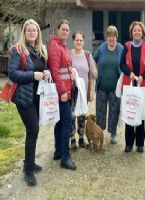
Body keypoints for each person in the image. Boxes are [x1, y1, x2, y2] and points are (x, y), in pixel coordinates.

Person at [8, 19, 50, 186]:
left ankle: (29, 162)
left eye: (35, 30)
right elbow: (12, 74)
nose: (32, 33)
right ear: (24, 33)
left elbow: (40, 69)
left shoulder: (39, 50)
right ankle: (28, 170)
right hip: (24, 97)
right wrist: (33, 75)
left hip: (37, 96)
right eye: (29, 30)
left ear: (38, 33)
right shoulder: (18, 50)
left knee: (33, 130)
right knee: (33, 128)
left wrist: (45, 72)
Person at [48, 20, 77, 170]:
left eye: (67, 30)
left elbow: (65, 68)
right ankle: (65, 157)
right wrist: (63, 92)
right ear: (58, 30)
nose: (65, 32)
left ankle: (58, 151)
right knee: (66, 122)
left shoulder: (64, 47)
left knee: (60, 122)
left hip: (67, 90)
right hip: (62, 93)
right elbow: (55, 71)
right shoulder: (55, 46)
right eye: (63, 29)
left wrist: (72, 73)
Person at [120, 21, 145, 153]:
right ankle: (128, 143)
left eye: (139, 30)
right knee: (130, 112)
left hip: (142, 86)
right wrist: (130, 74)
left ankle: (140, 143)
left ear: (143, 33)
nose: (137, 32)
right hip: (129, 85)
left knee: (139, 113)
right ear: (131, 33)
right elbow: (121, 64)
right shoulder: (126, 46)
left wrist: (142, 76)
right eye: (135, 30)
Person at [93, 26, 123, 144]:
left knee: (114, 110)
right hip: (101, 87)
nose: (111, 38)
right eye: (109, 36)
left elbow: (126, 63)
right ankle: (99, 132)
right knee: (100, 111)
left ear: (116, 37)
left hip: (115, 88)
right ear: (107, 37)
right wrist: (94, 70)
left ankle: (113, 133)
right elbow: (93, 59)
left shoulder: (121, 48)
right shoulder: (102, 48)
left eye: (113, 36)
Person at [70, 31, 97, 150]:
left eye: (81, 40)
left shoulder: (87, 55)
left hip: (84, 92)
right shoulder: (68, 54)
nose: (79, 42)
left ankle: (81, 139)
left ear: (83, 42)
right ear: (73, 41)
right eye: (77, 40)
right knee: (71, 116)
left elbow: (92, 72)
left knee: (81, 116)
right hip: (72, 91)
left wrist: (96, 73)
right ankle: (72, 140)